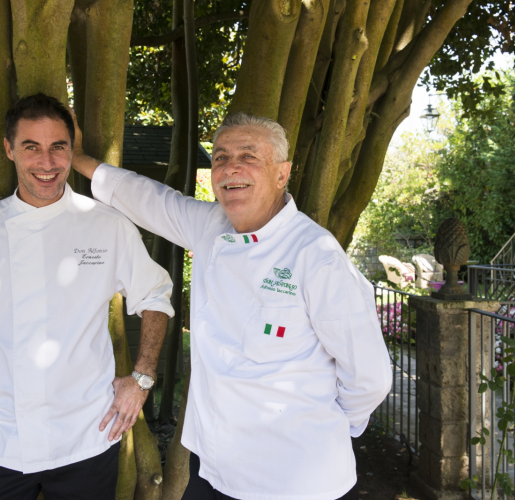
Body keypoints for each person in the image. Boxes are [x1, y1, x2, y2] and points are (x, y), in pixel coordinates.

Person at [71, 111, 392, 500]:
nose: (230, 168)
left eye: (248, 156)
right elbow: (148, 199)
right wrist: (76, 158)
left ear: (281, 173)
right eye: (220, 157)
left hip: (297, 479)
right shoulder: (211, 225)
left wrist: (325, 423)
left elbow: (369, 376)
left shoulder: (316, 255)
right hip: (214, 468)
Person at [0, 93, 174, 500]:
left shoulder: (106, 225)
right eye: (31, 147)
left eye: (58, 147)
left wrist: (142, 378)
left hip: (89, 436)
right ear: (9, 150)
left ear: (71, 151)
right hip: (1, 436)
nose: (47, 162)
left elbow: (156, 296)